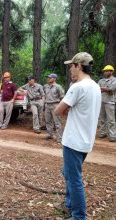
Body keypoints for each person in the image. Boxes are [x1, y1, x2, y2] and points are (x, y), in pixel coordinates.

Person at [54, 52, 101, 220]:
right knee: (68, 173)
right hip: (85, 140)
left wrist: (67, 110)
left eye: (71, 66)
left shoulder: (78, 87)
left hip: (74, 140)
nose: (70, 70)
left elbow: (58, 110)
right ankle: (69, 205)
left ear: (79, 66)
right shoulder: (95, 86)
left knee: (74, 180)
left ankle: (79, 216)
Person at [43, 73, 64, 143]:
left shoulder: (58, 87)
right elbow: (44, 95)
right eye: (48, 77)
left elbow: (62, 97)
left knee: (57, 122)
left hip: (55, 105)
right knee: (48, 121)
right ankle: (50, 134)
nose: (48, 79)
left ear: (54, 79)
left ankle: (59, 138)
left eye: (50, 78)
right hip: (47, 105)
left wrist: (61, 107)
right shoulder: (46, 86)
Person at [98, 65, 116, 142]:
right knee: (102, 119)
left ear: (111, 72)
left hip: (110, 101)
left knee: (111, 119)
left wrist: (104, 89)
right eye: (104, 71)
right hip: (101, 101)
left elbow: (111, 88)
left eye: (107, 71)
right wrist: (106, 89)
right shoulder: (101, 81)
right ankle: (103, 133)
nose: (105, 72)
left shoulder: (114, 80)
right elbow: (97, 88)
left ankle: (112, 136)